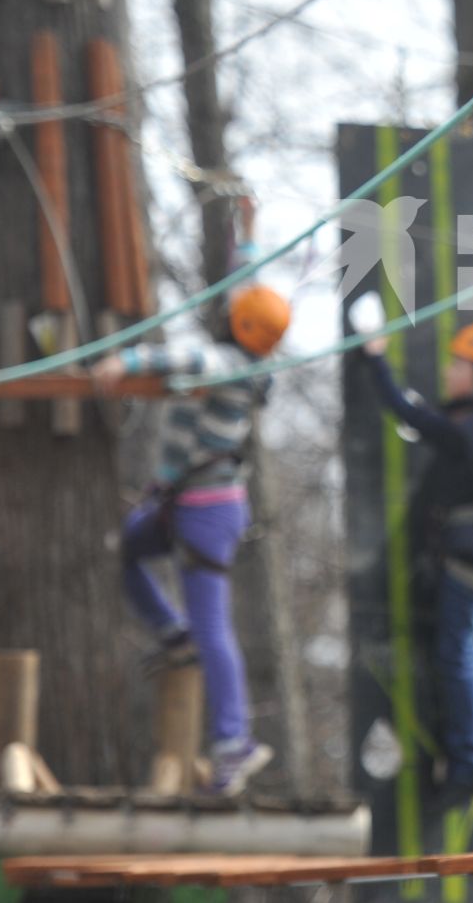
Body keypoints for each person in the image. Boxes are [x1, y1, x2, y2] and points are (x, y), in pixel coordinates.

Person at [93, 196, 290, 796]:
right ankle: (170, 631)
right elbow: (244, 293)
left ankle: (234, 742)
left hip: (206, 514)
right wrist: (247, 234)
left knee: (214, 627)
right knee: (129, 550)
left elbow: (178, 354)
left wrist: (123, 359)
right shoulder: (252, 355)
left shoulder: (223, 363)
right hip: (190, 504)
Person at [360, 322, 473, 804]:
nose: (447, 370)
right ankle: (470, 759)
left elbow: (407, 413)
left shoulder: (470, 427)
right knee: (470, 658)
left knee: (458, 658)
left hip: (472, 558)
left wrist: (376, 357)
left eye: (457, 365)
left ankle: (469, 764)